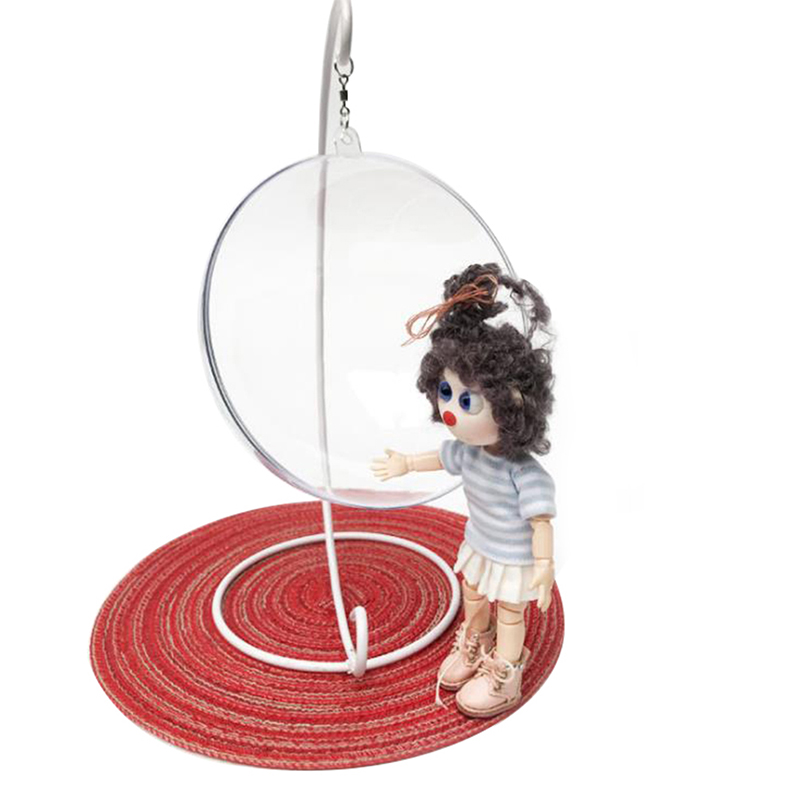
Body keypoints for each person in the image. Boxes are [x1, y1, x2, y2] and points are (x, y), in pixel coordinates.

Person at [370, 262, 557, 718]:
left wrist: (544, 565)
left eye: (467, 400)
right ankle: (476, 641)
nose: (450, 411)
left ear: (512, 406)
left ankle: (506, 671)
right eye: (445, 393)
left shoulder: (523, 473)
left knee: (511, 610)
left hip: (513, 556)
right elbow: (440, 457)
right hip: (479, 543)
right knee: (472, 593)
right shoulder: (468, 453)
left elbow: (540, 521)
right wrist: (406, 463)